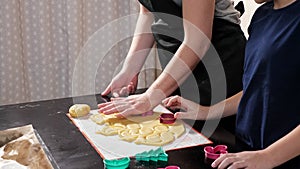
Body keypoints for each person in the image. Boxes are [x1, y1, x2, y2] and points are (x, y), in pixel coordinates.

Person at [162, 0, 300, 168]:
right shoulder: (262, 16)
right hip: (248, 150)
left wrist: (267, 157)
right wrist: (206, 111)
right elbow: (256, 88)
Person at [98, 0, 246, 127]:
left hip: (219, 64)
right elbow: (148, 13)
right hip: (178, 66)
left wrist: (150, 96)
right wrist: (129, 69)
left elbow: (198, 41)